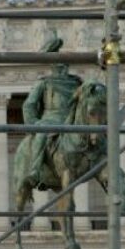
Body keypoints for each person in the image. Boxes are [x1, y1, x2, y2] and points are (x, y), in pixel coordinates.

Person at [20, 34, 83, 189]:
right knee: (41, 135)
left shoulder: (76, 83)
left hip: (72, 121)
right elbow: (29, 105)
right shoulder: (45, 83)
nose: (62, 70)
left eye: (65, 67)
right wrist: (33, 124)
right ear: (53, 68)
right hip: (50, 119)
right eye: (59, 67)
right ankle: (35, 171)